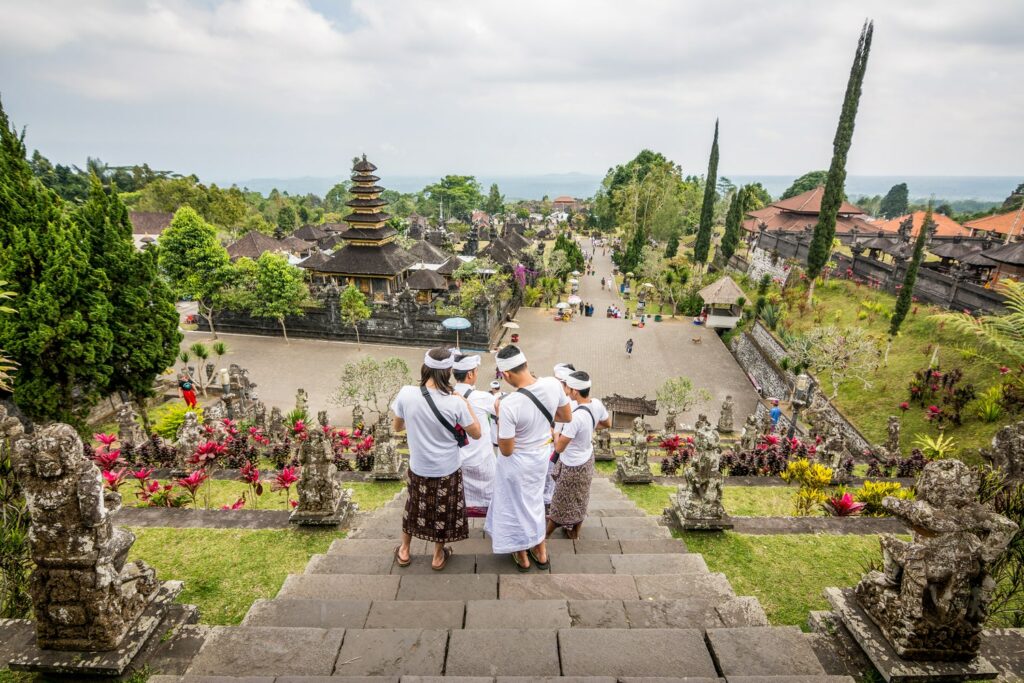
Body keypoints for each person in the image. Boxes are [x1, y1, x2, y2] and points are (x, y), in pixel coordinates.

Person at [391, 347, 482, 570]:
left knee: (413, 506)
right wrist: (466, 402)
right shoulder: (455, 402)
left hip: (419, 465)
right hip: (446, 468)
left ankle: (404, 550)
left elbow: (397, 427)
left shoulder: (406, 394)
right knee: (442, 509)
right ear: (448, 371)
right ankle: (438, 555)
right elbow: (477, 433)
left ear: (425, 368)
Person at [487, 345, 571, 572]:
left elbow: (505, 449)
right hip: (540, 458)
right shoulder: (553, 385)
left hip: (516, 463)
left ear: (505, 374)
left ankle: (522, 554)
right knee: (534, 503)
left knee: (514, 505)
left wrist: (498, 414)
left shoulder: (509, 404)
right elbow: (566, 416)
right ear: (525, 364)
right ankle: (541, 551)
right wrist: (539, 421)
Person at [548, 371, 611, 539]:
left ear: (575, 391)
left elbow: (559, 448)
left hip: (572, 465)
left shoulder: (575, 418)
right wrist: (589, 429)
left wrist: (554, 434)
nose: (565, 389)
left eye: (567, 387)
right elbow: (607, 423)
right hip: (587, 459)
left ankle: (544, 535)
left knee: (560, 501)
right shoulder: (596, 404)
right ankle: (575, 532)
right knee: (581, 497)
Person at [452, 354, 497, 518]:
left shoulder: (448, 396)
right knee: (495, 494)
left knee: (461, 495)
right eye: (476, 371)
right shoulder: (482, 397)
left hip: (458, 459)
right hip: (482, 458)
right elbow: (500, 410)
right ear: (470, 374)